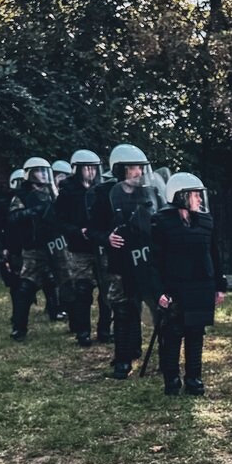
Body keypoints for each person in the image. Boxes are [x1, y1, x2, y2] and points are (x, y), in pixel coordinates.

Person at [88, 144, 163, 379]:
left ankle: (164, 359)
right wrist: (106, 237)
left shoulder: (150, 193)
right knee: (123, 309)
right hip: (120, 261)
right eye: (133, 168)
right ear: (120, 170)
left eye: (140, 168)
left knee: (157, 307)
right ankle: (123, 360)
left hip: (147, 259)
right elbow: (92, 229)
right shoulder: (102, 195)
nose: (138, 173)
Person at [150, 172, 227, 395]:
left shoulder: (205, 221)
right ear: (181, 196)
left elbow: (214, 255)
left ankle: (194, 379)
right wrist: (159, 292)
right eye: (195, 195)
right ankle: (172, 380)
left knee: (195, 334)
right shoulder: (161, 222)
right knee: (172, 335)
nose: (200, 200)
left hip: (201, 287)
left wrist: (219, 286)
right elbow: (154, 261)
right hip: (174, 288)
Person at [7, 156, 64, 341]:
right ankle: (19, 326)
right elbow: (13, 218)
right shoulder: (22, 195)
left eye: (44, 171)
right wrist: (33, 212)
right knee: (27, 285)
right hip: (33, 247)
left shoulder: (51, 192)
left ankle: (59, 313)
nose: (43, 175)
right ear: (30, 174)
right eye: (38, 171)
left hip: (54, 244)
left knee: (57, 281)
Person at [54, 149, 103, 346]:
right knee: (83, 289)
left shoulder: (101, 189)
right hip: (79, 247)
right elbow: (59, 221)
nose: (91, 172)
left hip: (100, 245)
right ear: (78, 170)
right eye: (87, 168)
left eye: (93, 168)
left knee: (107, 290)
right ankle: (83, 332)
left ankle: (105, 329)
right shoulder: (67, 192)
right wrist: (76, 231)